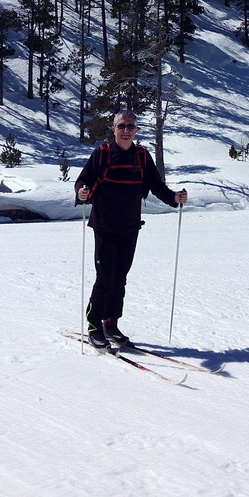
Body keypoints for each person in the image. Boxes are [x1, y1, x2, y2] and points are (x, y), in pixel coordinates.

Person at [74, 111, 188, 349]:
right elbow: (84, 180)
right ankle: (95, 326)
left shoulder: (141, 156)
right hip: (104, 226)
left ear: (136, 131)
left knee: (120, 278)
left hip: (130, 226)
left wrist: (174, 198)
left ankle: (111, 324)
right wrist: (82, 192)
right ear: (114, 129)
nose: (126, 130)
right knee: (105, 278)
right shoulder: (102, 153)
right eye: (122, 126)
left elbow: (156, 185)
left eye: (131, 126)